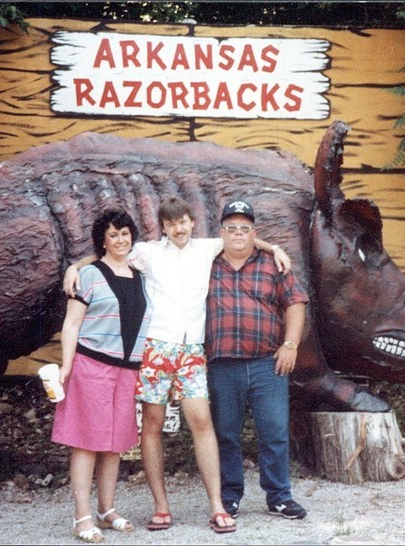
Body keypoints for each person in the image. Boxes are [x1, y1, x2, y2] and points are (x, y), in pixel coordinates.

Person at [63, 196, 290, 534]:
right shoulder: (148, 252)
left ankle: (217, 505)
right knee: (152, 424)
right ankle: (161, 507)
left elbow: (241, 236)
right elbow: (110, 253)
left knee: (202, 421)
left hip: (192, 350)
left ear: (192, 222)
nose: (178, 229)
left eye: (182, 222)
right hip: (156, 347)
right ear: (163, 228)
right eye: (170, 224)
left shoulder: (207, 248)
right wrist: (76, 267)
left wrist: (276, 249)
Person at [206, 199, 310, 520]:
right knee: (226, 433)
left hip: (268, 363)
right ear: (221, 233)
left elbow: (295, 302)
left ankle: (279, 497)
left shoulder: (272, 265)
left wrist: (290, 344)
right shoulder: (205, 263)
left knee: (274, 431)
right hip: (222, 363)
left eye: (245, 228)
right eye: (232, 228)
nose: (238, 233)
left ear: (254, 233)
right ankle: (229, 496)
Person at [51, 208, 151, 543]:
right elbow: (71, 324)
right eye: (113, 235)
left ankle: (107, 510)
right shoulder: (90, 275)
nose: (120, 240)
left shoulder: (141, 276)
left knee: (114, 443)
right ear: (103, 241)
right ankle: (82, 516)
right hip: (91, 367)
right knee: (86, 442)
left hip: (128, 370)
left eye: (125, 234)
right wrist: (66, 367)